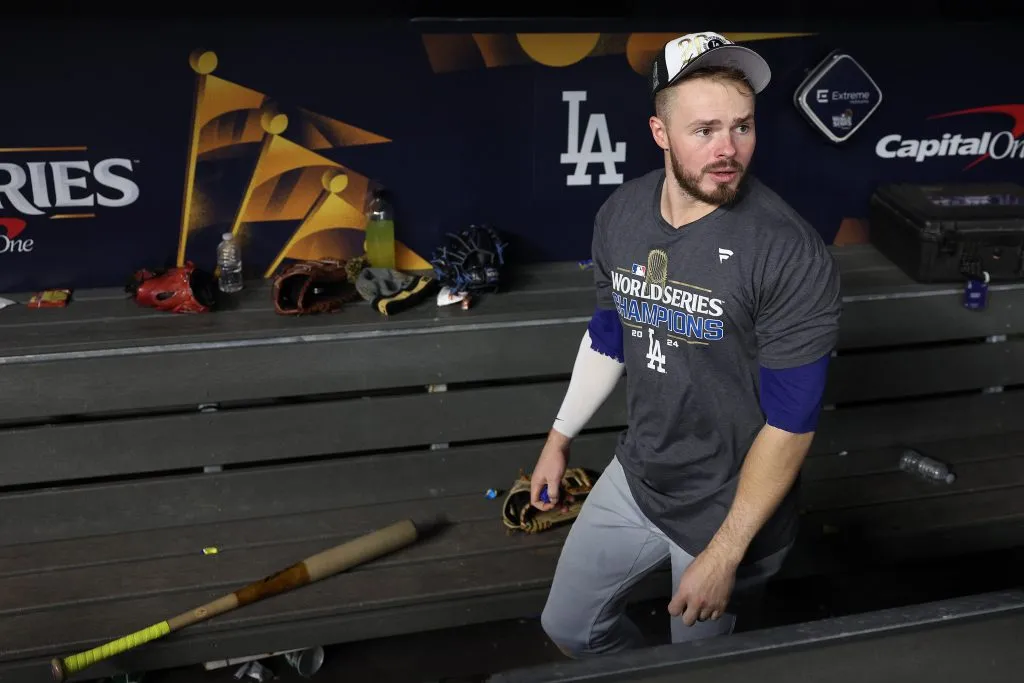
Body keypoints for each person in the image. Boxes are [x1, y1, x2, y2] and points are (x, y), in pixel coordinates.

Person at [531, 31, 843, 657]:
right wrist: (558, 440)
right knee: (567, 627)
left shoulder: (789, 251)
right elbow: (610, 333)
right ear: (660, 133)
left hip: (731, 505)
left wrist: (726, 552)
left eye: (743, 127)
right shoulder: (621, 214)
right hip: (641, 474)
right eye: (704, 130)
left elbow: (792, 423)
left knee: (697, 662)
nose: (729, 151)